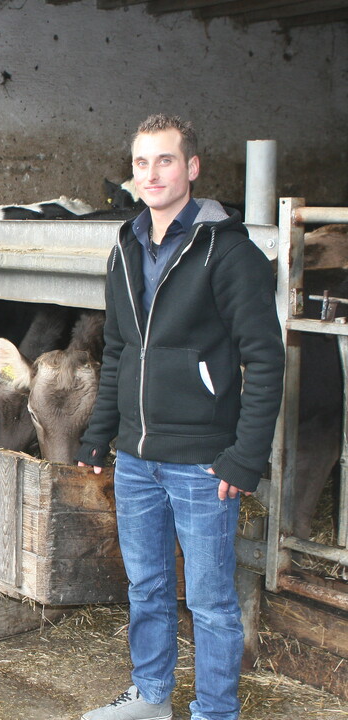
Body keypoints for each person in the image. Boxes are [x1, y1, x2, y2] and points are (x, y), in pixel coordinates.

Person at [76, 114, 284, 720]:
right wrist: (98, 435)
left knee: (213, 600)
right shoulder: (124, 245)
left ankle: (215, 710)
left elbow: (264, 360)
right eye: (141, 163)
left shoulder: (228, 250)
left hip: (202, 460)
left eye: (165, 161)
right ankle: (151, 695)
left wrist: (246, 456)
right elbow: (116, 349)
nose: (152, 174)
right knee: (146, 588)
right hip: (137, 456)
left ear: (191, 168)